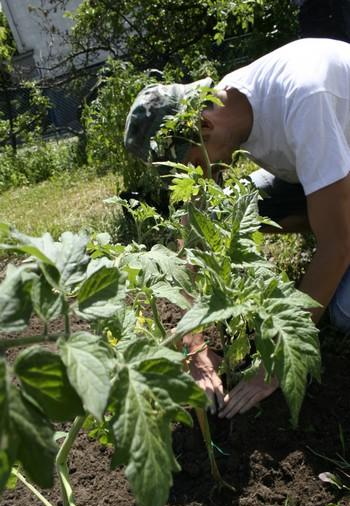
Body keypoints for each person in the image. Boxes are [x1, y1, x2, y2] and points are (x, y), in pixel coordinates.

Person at [124, 38, 350, 418]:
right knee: (223, 209)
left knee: (343, 311)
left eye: (193, 164)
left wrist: (276, 361)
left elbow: (339, 244)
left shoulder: (303, 98)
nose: (194, 178)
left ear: (205, 125)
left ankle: (331, 215)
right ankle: (328, 209)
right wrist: (194, 344)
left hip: (336, 173)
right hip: (332, 170)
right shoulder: (230, 101)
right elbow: (195, 220)